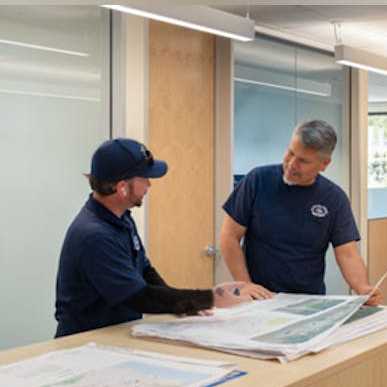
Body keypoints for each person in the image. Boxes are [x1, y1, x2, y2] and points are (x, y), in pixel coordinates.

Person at [55, 137, 250, 337]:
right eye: (144, 178)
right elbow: (140, 297)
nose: (149, 184)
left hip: (114, 334)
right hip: (83, 342)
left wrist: (183, 306)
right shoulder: (94, 236)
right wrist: (211, 298)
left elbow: (145, 271)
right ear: (121, 187)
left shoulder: (121, 219)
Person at [219, 119, 381, 305]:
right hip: (259, 299)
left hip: (308, 302)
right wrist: (245, 284)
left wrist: (362, 288)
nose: (292, 164)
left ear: (324, 163)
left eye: (303, 160)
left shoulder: (334, 199)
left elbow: (348, 254)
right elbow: (229, 237)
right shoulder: (257, 181)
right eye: (290, 153)